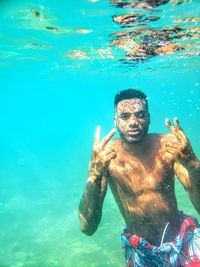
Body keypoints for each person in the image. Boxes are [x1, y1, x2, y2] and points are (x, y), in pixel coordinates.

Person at [78, 89, 200, 266]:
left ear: (149, 118)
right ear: (115, 121)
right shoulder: (106, 157)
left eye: (140, 115)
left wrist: (194, 165)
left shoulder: (169, 146)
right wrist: (94, 176)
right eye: (125, 116)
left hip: (183, 239)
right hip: (141, 250)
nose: (133, 122)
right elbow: (87, 227)